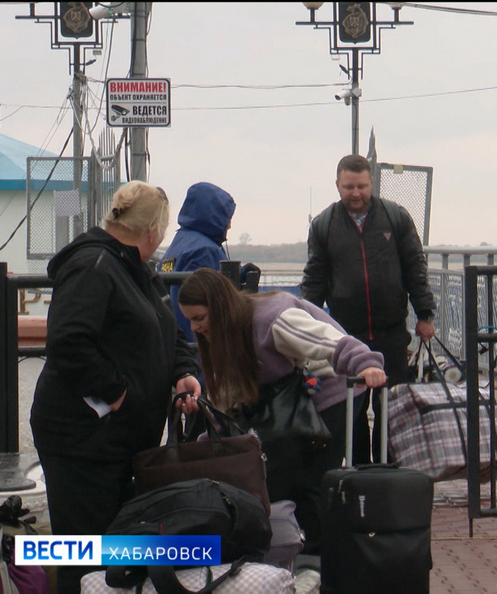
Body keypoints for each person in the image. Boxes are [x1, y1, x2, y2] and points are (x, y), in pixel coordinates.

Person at [30, 181, 201, 594]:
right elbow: (68, 339)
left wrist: (182, 370)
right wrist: (116, 392)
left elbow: (168, 331)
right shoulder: (94, 266)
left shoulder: (137, 269)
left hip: (122, 443)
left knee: (118, 551)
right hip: (83, 441)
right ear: (152, 230)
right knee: (86, 552)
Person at [177, 267, 387, 557]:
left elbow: (330, 342)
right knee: (277, 475)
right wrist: (210, 437)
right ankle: (292, 551)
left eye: (199, 318)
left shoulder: (272, 319)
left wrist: (366, 364)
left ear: (222, 307)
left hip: (331, 386)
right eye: (190, 321)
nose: (195, 328)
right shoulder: (221, 337)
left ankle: (314, 560)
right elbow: (226, 398)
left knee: (310, 479)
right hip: (286, 395)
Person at [301, 154, 436, 464]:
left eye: (361, 186)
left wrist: (425, 314)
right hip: (348, 336)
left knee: (392, 408)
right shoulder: (324, 225)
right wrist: (306, 322)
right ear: (337, 185)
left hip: (391, 332)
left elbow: (415, 266)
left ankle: (390, 470)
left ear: (371, 182)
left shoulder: (395, 217)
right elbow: (315, 278)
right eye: (348, 187)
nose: (356, 193)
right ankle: (360, 470)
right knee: (353, 410)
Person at [160, 182, 237, 343]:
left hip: (173, 342)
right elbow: (202, 300)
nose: (229, 224)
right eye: (227, 218)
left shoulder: (178, 244)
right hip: (196, 346)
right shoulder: (205, 250)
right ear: (216, 216)